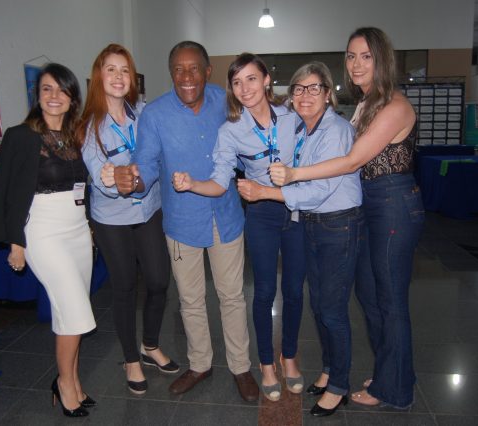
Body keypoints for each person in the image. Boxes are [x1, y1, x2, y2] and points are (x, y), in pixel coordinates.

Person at [269, 27, 424, 409]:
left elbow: (353, 160)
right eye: (351, 56)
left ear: (382, 59)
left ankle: (396, 390)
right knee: (369, 296)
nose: (356, 64)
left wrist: (294, 174)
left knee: (390, 301)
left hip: (393, 204)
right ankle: (390, 372)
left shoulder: (394, 105)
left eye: (366, 56)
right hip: (370, 205)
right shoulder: (367, 102)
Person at [113, 41, 259, 402]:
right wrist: (134, 182)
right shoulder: (155, 115)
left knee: (232, 296)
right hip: (181, 221)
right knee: (191, 300)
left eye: (194, 68)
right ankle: (200, 364)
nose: (186, 76)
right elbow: (146, 165)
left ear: (207, 71)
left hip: (225, 215)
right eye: (178, 69)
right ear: (171, 73)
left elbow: (254, 133)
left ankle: (241, 367)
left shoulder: (226, 101)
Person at [172, 53, 305, 402]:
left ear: (266, 80)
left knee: (294, 290)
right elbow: (220, 182)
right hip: (261, 213)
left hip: (297, 207)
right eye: (236, 82)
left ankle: (290, 358)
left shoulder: (293, 116)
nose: (244, 88)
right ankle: (266, 365)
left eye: (251, 79)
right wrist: (192, 184)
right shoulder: (231, 131)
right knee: (263, 291)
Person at [238, 61, 362, 416]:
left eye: (314, 88)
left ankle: (338, 385)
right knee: (320, 304)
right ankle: (328, 370)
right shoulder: (302, 128)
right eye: (299, 89)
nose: (305, 95)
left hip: (337, 224)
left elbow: (318, 189)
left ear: (328, 93)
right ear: (290, 95)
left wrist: (265, 191)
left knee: (332, 309)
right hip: (312, 223)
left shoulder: (335, 130)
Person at [0, 63, 96, 417]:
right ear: (37, 95)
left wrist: (89, 226)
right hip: (42, 230)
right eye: (47, 89)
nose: (54, 96)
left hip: (77, 229)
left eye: (62, 90)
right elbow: (4, 191)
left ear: (72, 98)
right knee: (75, 311)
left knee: (69, 314)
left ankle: (73, 380)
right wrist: (15, 242)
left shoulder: (76, 135)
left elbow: (83, 187)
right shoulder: (20, 136)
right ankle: (64, 385)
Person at [78, 43, 178, 395]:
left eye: (125, 70)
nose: (119, 77)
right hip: (112, 218)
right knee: (123, 287)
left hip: (148, 208)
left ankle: (150, 345)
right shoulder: (90, 127)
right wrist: (112, 179)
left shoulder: (144, 113)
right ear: (99, 76)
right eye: (111, 69)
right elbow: (100, 176)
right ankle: (131, 359)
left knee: (158, 281)